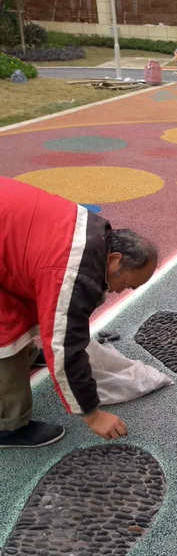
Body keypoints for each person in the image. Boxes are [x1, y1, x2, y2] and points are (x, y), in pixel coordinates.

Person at [0, 176, 158, 448]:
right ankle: (9, 426)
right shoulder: (70, 270)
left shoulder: (95, 231)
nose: (122, 290)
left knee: (24, 285)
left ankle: (26, 354)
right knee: (5, 335)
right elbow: (64, 345)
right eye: (127, 283)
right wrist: (92, 414)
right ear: (114, 259)